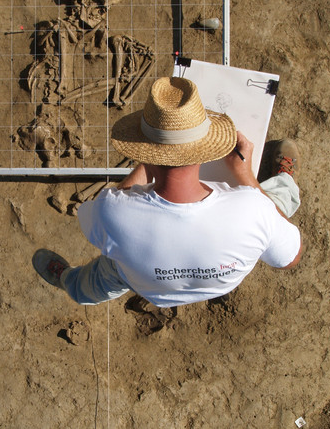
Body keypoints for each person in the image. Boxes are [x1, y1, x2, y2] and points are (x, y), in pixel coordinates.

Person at [32, 77, 302, 307]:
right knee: (276, 206)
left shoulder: (111, 211)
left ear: (142, 149)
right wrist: (244, 175)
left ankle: (68, 280)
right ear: (208, 146)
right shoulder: (254, 210)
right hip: (219, 281)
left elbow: (103, 214)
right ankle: (284, 179)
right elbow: (290, 259)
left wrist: (148, 159)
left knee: (95, 281)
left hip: (138, 278)